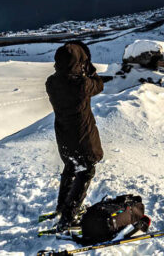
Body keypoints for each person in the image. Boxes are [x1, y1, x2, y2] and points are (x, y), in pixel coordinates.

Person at [45, 41, 105, 229]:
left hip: (63, 135)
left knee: (71, 166)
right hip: (82, 136)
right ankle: (68, 218)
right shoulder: (81, 84)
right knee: (86, 170)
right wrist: (91, 70)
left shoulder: (52, 82)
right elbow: (99, 85)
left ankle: (62, 207)